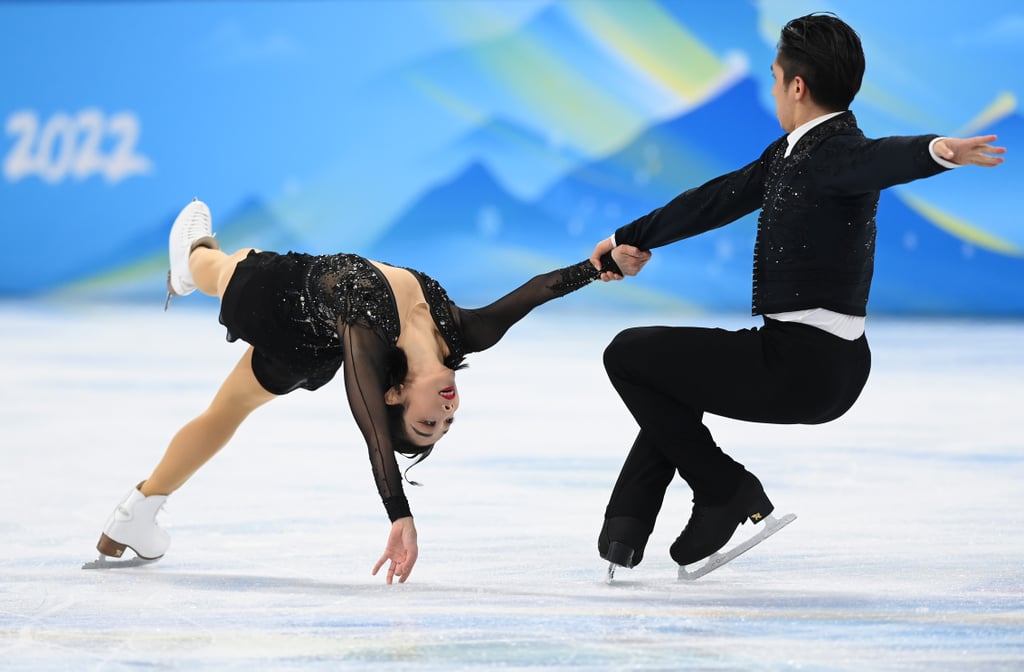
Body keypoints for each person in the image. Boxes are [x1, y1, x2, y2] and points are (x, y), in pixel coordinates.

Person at [588, 12, 1006, 573]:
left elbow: (881, 158)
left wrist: (934, 151)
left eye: (774, 78)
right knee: (671, 376)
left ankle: (724, 490)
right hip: (808, 360)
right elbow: (713, 199)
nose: (773, 89)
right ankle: (628, 528)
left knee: (628, 354)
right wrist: (628, 238)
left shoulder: (837, 152)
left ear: (797, 87)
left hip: (804, 370)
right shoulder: (787, 155)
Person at [90, 198, 645, 583]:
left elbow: (372, 431)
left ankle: (189, 264)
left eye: (429, 423)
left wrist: (397, 513)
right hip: (314, 327)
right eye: (447, 424)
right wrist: (598, 266)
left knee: (219, 272)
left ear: (396, 396)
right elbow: (535, 292)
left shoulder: (368, 337)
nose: (446, 415)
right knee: (227, 410)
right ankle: (139, 511)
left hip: (280, 297)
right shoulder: (462, 334)